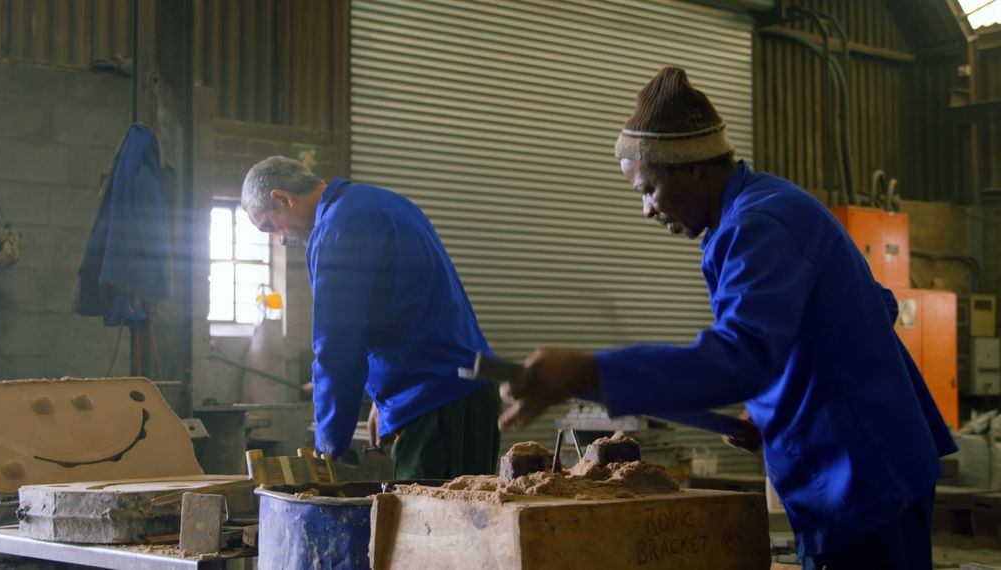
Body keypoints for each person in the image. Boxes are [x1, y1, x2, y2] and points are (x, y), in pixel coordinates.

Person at [499, 67, 956, 569]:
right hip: (869, 465)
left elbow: (742, 355)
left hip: (858, 473)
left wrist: (589, 371)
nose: (647, 210)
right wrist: (776, 407)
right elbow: (872, 306)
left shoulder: (759, 225)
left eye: (647, 189)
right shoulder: (765, 206)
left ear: (691, 167)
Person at [241, 156, 500, 479]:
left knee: (430, 526)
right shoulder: (381, 203)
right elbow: (405, 309)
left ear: (283, 198)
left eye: (270, 225)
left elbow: (337, 348)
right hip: (469, 394)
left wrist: (327, 446)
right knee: (475, 523)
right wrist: (383, 400)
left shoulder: (335, 229)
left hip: (433, 406)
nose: (280, 238)